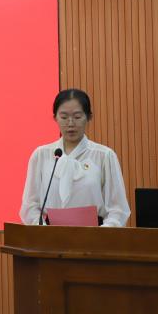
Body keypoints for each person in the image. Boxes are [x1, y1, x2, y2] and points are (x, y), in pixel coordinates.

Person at [20, 89, 131, 227]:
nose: (70, 123)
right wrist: (42, 230)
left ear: (89, 117)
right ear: (55, 118)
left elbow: (118, 209)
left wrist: (102, 233)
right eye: (64, 117)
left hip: (94, 235)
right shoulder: (41, 155)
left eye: (77, 117)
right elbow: (30, 206)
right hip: (50, 236)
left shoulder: (104, 156)